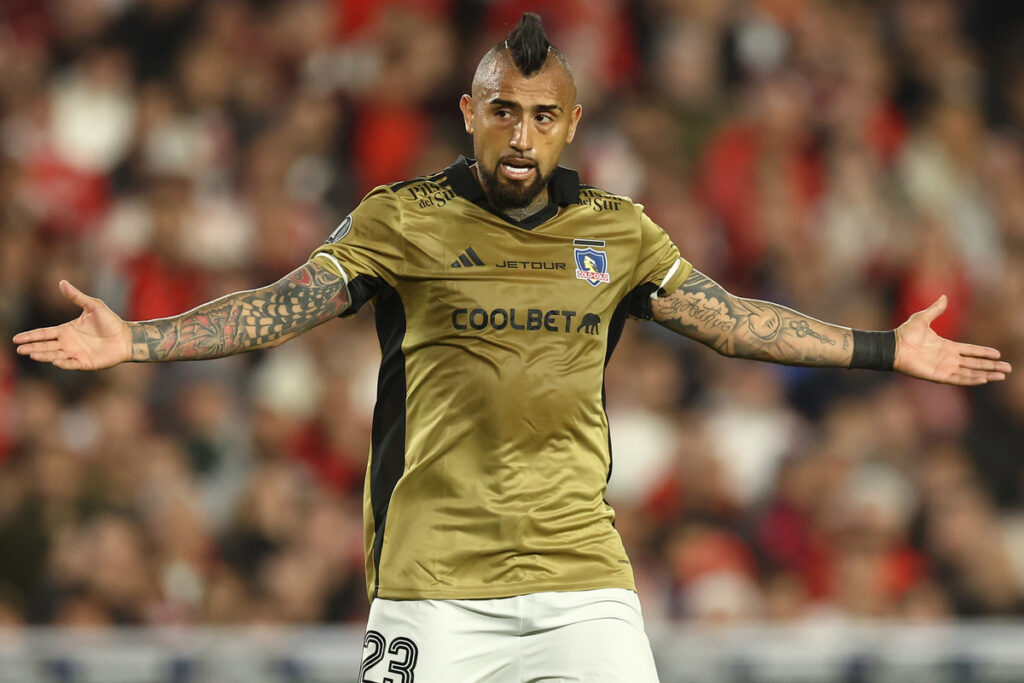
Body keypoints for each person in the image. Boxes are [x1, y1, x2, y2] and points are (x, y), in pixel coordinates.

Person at [13, 13, 1011, 683]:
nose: (522, 132)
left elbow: (729, 317)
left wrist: (882, 348)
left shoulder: (619, 231)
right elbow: (283, 305)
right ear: (470, 114)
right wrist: (138, 339)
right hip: (433, 583)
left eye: (542, 114)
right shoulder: (400, 217)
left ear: (570, 123)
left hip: (581, 574)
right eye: (503, 110)